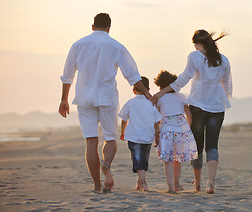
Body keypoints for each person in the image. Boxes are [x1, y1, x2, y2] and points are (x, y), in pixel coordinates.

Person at [59, 13, 154, 193]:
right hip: (107, 98)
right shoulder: (116, 46)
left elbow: (67, 75)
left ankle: (96, 186)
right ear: (109, 28)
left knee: (91, 142)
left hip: (84, 99)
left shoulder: (78, 45)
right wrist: (149, 94)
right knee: (110, 138)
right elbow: (133, 77)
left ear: (92, 27)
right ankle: (106, 165)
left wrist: (64, 99)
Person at [154, 29, 232, 194]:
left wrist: (161, 93)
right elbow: (227, 85)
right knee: (212, 146)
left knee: (198, 145)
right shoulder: (223, 60)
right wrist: (220, 98)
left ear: (198, 43)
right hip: (217, 108)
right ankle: (210, 183)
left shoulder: (194, 57)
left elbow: (183, 79)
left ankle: (197, 182)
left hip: (198, 106)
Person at [154, 70, 198, 193]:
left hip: (166, 129)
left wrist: (156, 133)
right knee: (177, 158)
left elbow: (156, 117)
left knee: (167, 160)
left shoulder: (160, 98)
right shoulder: (182, 97)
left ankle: (171, 188)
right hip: (180, 129)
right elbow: (188, 114)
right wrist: (186, 129)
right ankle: (177, 184)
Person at [118, 76, 162, 192]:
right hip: (148, 137)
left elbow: (124, 119)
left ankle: (143, 183)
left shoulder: (130, 103)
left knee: (137, 159)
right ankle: (139, 181)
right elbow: (157, 123)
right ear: (148, 89)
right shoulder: (151, 104)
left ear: (133, 90)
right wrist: (157, 136)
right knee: (143, 159)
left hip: (134, 137)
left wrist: (122, 132)